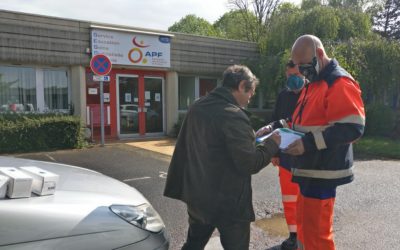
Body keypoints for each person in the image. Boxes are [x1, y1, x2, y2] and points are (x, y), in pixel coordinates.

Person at [164, 65, 281, 250]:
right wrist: (272, 143)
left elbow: (213, 146)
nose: (250, 99)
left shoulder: (198, 106)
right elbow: (250, 163)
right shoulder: (232, 114)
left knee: (193, 244)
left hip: (197, 198)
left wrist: (251, 136)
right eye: (251, 92)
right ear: (242, 85)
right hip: (229, 204)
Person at [284, 35, 365, 250]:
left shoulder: (338, 82)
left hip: (322, 172)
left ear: (320, 55)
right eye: (297, 66)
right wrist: (280, 128)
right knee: (305, 230)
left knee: (317, 236)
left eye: (304, 66)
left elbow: (352, 127)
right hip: (309, 170)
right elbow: (305, 121)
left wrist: (307, 144)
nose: (301, 72)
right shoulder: (315, 83)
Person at [257, 60, 305, 250]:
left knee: (306, 200)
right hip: (285, 157)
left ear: (305, 73)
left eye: (295, 75)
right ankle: (293, 236)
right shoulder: (284, 95)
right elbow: (276, 121)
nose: (291, 79)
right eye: (288, 76)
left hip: (307, 158)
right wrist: (274, 153)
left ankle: (305, 235)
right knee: (289, 200)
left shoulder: (313, 94)